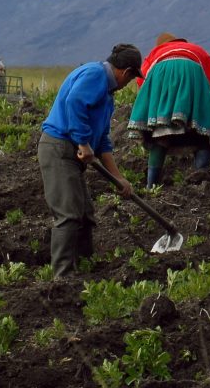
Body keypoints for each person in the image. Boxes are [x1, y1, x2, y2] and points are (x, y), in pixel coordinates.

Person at [37, 44, 142, 277]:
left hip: (71, 152)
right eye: (132, 77)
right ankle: (62, 277)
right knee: (68, 215)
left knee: (85, 215)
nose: (128, 84)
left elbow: (102, 141)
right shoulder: (95, 74)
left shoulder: (106, 96)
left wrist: (119, 179)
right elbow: (74, 102)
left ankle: (85, 268)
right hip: (58, 148)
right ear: (126, 72)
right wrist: (83, 143)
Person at [128, 33, 210, 187]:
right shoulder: (197, 50)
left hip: (160, 79)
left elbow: (142, 81)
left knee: (160, 135)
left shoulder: (155, 54)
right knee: (204, 133)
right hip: (193, 76)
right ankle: (201, 181)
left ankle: (151, 186)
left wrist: (159, 103)